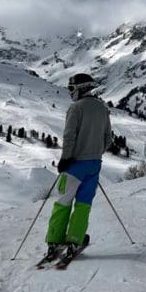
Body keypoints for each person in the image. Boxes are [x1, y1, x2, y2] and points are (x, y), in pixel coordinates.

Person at [45, 72, 112, 259]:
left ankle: (55, 239)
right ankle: (75, 239)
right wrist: (95, 153)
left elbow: (69, 135)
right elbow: (108, 138)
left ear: (82, 88)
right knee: (84, 203)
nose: (69, 92)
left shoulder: (76, 108)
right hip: (94, 164)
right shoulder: (102, 108)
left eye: (71, 88)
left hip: (74, 164)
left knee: (63, 202)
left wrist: (66, 158)